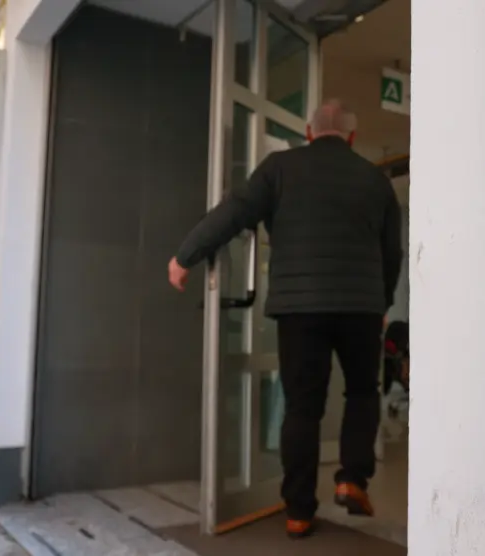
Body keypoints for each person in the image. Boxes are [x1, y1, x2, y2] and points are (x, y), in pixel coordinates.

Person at [167, 99, 403, 539]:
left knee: (302, 406)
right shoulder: (375, 180)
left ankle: (298, 510)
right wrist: (383, 301)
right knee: (362, 392)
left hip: (300, 307)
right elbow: (392, 252)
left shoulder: (280, 169)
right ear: (351, 137)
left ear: (309, 133)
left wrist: (186, 255)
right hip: (361, 306)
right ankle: (352, 478)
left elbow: (235, 210)